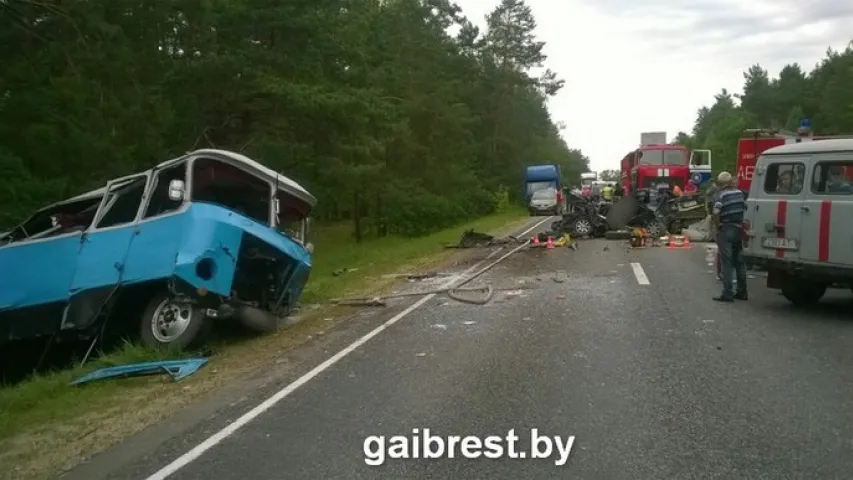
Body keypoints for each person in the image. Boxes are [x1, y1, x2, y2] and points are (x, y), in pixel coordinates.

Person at [711, 171, 747, 302]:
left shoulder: (720, 196)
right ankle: (742, 292)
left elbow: (716, 212)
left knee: (727, 261)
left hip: (726, 229)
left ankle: (728, 293)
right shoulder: (740, 193)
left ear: (721, 183)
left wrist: (718, 224)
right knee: (739, 261)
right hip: (739, 229)